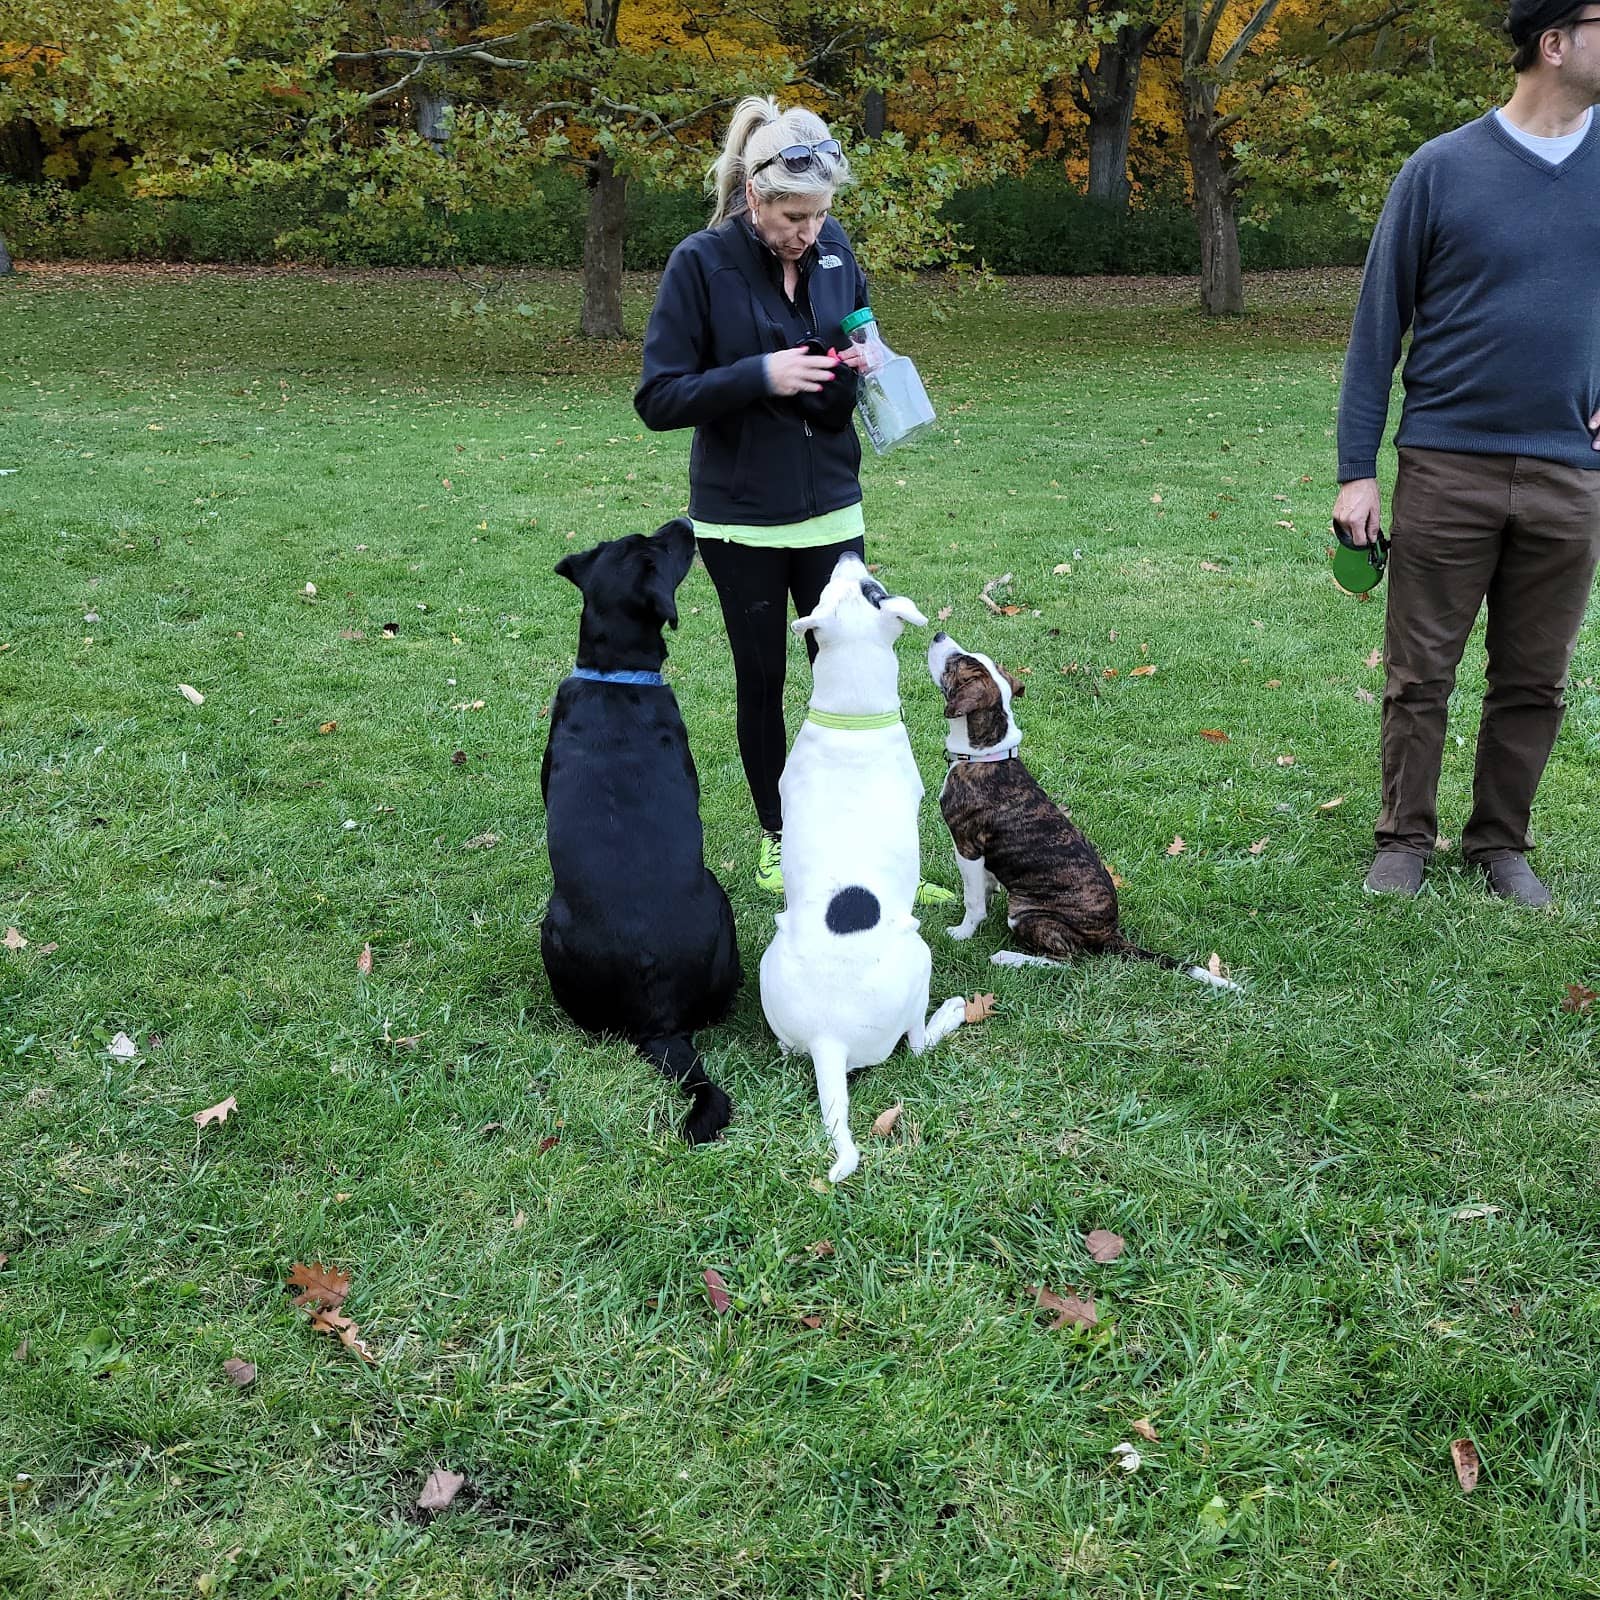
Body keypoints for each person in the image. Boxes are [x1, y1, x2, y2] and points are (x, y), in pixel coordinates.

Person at [635, 96, 953, 902]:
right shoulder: (699, 263)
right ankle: (782, 838)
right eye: (790, 215)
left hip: (832, 504)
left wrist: (867, 357)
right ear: (754, 198)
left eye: (818, 216)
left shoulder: (835, 248)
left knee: (850, 676)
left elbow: (857, 325)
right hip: (739, 520)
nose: (807, 233)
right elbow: (659, 397)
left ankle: (859, 841)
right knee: (765, 682)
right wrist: (760, 376)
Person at [1333, 0, 1600, 908]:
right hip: (1448, 462)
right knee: (1420, 673)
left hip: (1572, 473)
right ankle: (1403, 838)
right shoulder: (1440, 168)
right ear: (1555, 41)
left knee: (1536, 678)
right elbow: (1378, 330)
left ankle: (1500, 846)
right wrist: (1357, 469)